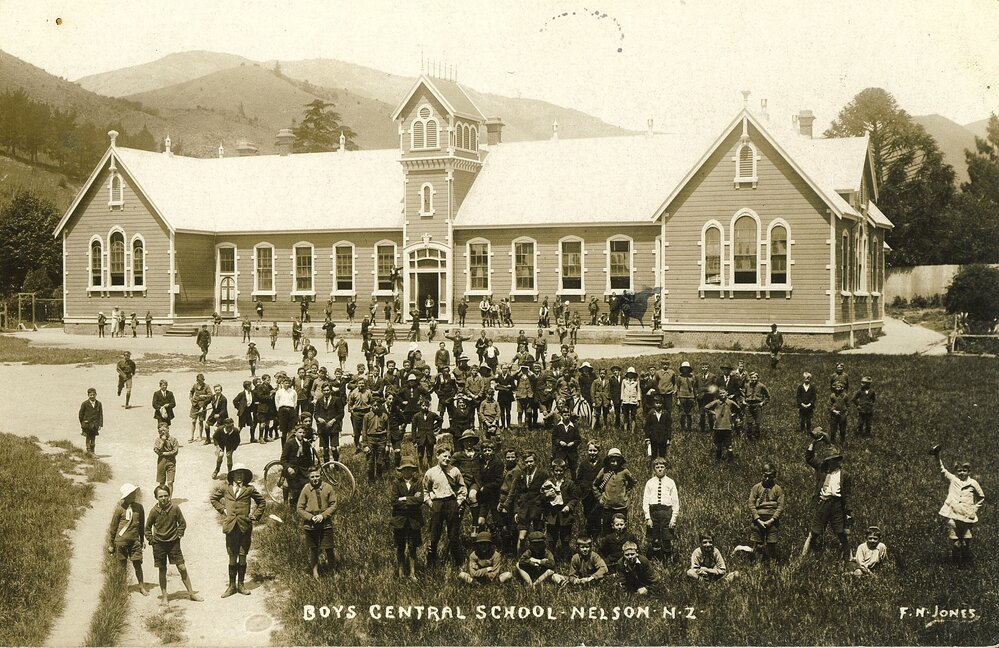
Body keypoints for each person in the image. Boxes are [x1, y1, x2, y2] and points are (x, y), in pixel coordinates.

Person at [209, 463, 266, 597]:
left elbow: (262, 502)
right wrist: (223, 510)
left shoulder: (249, 489)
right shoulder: (225, 488)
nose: (239, 476)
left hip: (244, 527)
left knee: (242, 555)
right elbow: (213, 498)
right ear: (232, 475)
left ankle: (241, 584)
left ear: (245, 476)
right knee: (232, 555)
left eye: (242, 474)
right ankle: (231, 586)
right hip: (230, 527)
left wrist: (255, 515)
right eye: (237, 473)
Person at [145, 485, 202, 605]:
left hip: (173, 544)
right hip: (159, 545)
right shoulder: (154, 511)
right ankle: (165, 597)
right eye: (161, 496)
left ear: (169, 496)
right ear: (156, 498)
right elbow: (147, 528)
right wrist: (151, 540)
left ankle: (191, 593)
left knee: (182, 567)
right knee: (162, 569)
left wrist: (179, 535)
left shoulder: (175, 508)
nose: (164, 498)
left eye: (166, 495)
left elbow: (182, 523)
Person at [931, 444, 985, 566]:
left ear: (969, 471)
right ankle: (955, 565)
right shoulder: (953, 480)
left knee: (965, 542)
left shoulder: (973, 483)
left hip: (967, 517)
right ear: (956, 472)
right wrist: (937, 455)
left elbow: (982, 497)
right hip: (953, 515)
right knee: (955, 543)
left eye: (964, 471)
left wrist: (974, 509)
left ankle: (966, 565)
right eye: (959, 471)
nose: (961, 473)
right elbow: (941, 469)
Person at [803, 443, 851, 560]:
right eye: (830, 460)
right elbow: (809, 458)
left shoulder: (845, 475)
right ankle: (804, 555)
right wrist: (813, 443)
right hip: (823, 503)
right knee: (814, 532)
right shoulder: (822, 469)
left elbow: (847, 495)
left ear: (838, 460)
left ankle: (849, 557)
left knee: (841, 533)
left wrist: (848, 511)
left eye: (835, 460)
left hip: (837, 505)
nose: (833, 463)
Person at [423, 446, 467, 567]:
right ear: (437, 456)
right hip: (437, 504)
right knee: (434, 534)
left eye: (449, 456)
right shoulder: (431, 472)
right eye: (444, 456)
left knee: (453, 535)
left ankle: (458, 563)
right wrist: (430, 503)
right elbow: (425, 490)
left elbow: (462, 488)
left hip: (452, 503)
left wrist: (458, 502)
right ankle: (431, 563)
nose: (447, 459)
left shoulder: (455, 471)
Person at [297, 467, 337, 580]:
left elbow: (334, 505)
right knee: (313, 549)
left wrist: (323, 516)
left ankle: (332, 571)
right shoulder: (306, 489)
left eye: (317, 476)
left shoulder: (328, 487)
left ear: (321, 476)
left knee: (329, 548)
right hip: (311, 525)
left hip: (325, 523)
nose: (315, 479)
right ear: (309, 478)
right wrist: (310, 517)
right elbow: (299, 508)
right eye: (312, 477)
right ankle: (315, 573)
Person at [107, 483, 146, 595]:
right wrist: (111, 544)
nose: (133, 495)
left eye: (134, 493)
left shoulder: (139, 507)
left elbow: (141, 525)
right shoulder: (119, 509)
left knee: (137, 563)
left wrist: (142, 540)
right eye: (131, 494)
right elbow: (113, 527)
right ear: (126, 496)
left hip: (134, 540)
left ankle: (141, 586)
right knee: (122, 565)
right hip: (121, 541)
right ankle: (123, 587)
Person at [391, 458, 425, 580]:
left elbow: (420, 500)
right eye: (405, 469)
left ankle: (412, 573)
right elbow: (394, 501)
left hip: (414, 520)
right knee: (400, 546)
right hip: (400, 520)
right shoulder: (396, 483)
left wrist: (404, 498)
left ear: (413, 470)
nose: (407, 472)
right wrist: (411, 499)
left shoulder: (418, 482)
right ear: (401, 471)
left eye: (409, 469)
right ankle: (400, 574)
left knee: (412, 547)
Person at [642, 457, 678, 563]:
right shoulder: (649, 483)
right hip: (654, 513)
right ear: (654, 469)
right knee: (655, 538)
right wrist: (648, 517)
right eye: (657, 467)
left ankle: (667, 561)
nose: (660, 469)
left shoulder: (670, 482)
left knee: (666, 538)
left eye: (662, 467)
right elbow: (645, 501)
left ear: (666, 468)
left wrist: (673, 518)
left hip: (666, 513)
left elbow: (675, 501)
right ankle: (656, 560)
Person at [747, 462, 785, 564]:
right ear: (761, 474)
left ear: (775, 476)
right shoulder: (756, 488)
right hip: (758, 520)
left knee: (772, 543)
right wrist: (757, 519)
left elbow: (780, 507)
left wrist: (772, 520)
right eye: (765, 476)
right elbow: (751, 504)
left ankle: (772, 564)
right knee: (758, 543)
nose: (767, 479)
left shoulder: (778, 489)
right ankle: (758, 563)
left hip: (772, 520)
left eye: (770, 477)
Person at [593, 447, 636, 534]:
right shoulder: (604, 471)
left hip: (621, 506)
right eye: (612, 461)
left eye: (617, 461)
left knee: (621, 529)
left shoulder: (624, 471)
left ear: (620, 461)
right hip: (608, 506)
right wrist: (599, 497)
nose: (615, 463)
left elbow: (633, 482)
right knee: (607, 529)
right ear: (608, 461)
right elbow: (595, 485)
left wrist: (626, 493)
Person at [705, 387, 740, 462]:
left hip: (727, 427)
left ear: (727, 393)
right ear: (718, 394)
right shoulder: (716, 402)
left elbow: (738, 409)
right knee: (718, 445)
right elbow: (706, 407)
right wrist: (714, 413)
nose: (722, 395)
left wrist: (733, 414)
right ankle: (718, 459)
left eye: (724, 393)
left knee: (729, 445)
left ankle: (730, 460)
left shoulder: (730, 402)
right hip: (718, 427)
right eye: (720, 393)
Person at [282, 425, 314, 505]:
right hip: (292, 468)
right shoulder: (290, 443)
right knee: (294, 488)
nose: (302, 434)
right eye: (299, 432)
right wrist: (288, 468)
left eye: (303, 433)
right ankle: (289, 503)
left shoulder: (306, 444)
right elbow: (283, 459)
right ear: (295, 433)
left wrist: (310, 467)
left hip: (302, 469)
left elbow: (309, 458)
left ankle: (304, 503)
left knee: (307, 485)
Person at [742, 372, 770, 439]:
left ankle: (757, 438)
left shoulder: (761, 386)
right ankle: (749, 439)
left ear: (757, 378)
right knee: (749, 423)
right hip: (748, 406)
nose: (753, 379)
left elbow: (768, 397)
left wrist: (762, 403)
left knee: (757, 423)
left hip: (757, 405)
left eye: (755, 377)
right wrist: (743, 401)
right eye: (752, 378)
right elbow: (743, 394)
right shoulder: (747, 385)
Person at [154, 422, 179, 494]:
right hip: (161, 461)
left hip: (171, 461)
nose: (162, 432)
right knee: (161, 482)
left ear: (168, 429)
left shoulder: (173, 439)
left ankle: (169, 499)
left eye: (164, 430)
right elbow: (156, 450)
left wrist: (165, 453)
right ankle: (162, 497)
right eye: (160, 431)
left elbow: (175, 451)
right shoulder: (158, 440)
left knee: (170, 482)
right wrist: (162, 441)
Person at [644, 395, 672, 461]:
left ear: (662, 404)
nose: (658, 405)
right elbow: (647, 426)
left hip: (663, 438)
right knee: (654, 455)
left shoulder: (665, 413)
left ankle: (662, 467)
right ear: (654, 404)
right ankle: (653, 467)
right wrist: (647, 438)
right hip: (653, 438)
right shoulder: (651, 413)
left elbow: (668, 427)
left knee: (662, 454)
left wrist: (668, 438)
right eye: (656, 403)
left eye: (660, 403)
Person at [79, 387, 103, 455]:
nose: (92, 396)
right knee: (88, 437)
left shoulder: (99, 404)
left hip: (95, 424)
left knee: (93, 438)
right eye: (90, 395)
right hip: (87, 424)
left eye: (93, 395)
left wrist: (100, 425)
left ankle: (92, 451)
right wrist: (83, 423)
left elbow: (100, 414)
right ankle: (89, 451)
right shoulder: (85, 403)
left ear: (96, 394)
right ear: (88, 395)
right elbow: (80, 415)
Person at [189, 374, 213, 444]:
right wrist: (190, 398)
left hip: (202, 405)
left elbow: (211, 395)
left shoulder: (206, 386)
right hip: (194, 404)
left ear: (203, 380)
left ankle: (200, 436)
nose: (200, 382)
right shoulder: (195, 385)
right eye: (199, 381)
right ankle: (192, 436)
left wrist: (204, 395)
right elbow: (191, 392)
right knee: (193, 421)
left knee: (200, 421)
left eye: (201, 381)